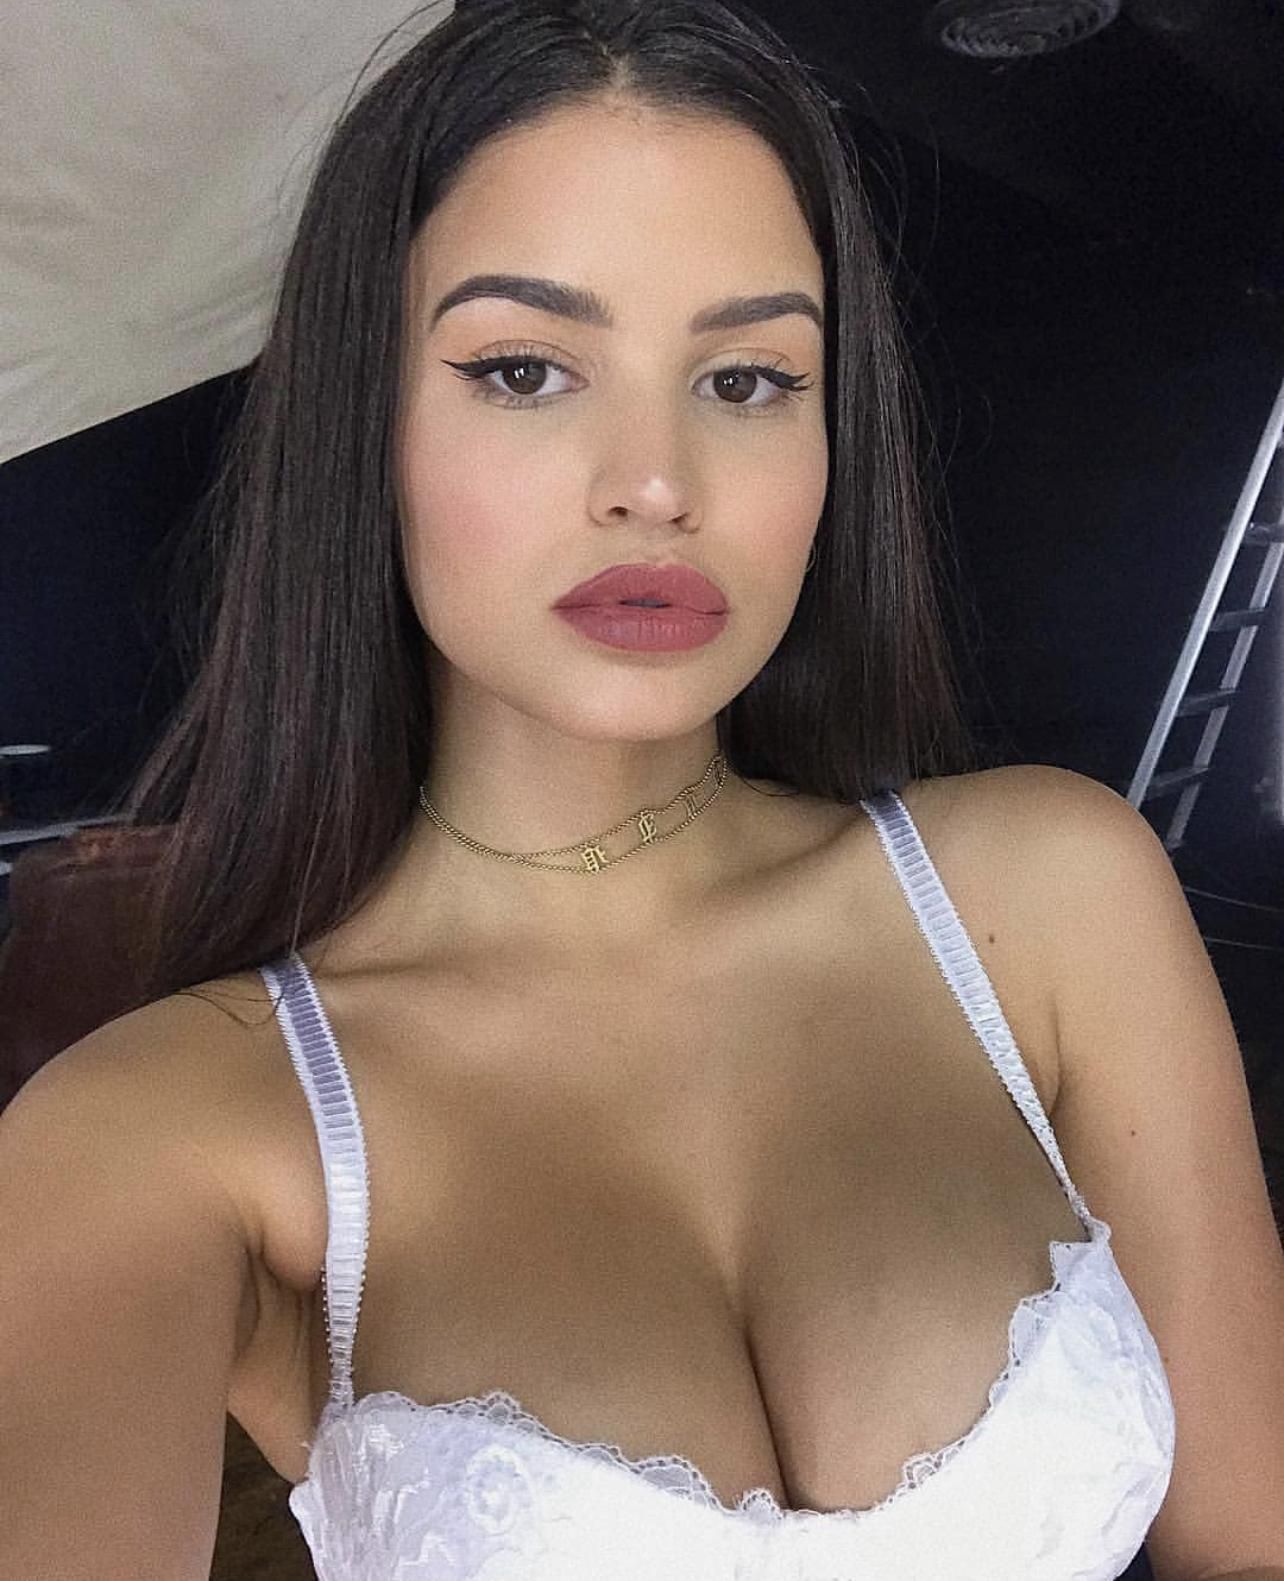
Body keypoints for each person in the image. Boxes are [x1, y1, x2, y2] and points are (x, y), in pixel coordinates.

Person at [3, 1, 1282, 1577]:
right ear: (366, 424)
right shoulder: (168, 1134)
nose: (659, 480)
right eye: (526, 368)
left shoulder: (1054, 896)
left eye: (747, 379)